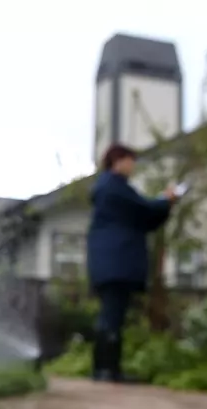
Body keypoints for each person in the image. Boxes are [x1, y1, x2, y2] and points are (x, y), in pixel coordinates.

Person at [86, 144, 179, 382]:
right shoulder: (113, 187)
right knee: (112, 316)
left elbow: (145, 219)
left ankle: (104, 369)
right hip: (116, 263)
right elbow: (144, 209)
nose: (133, 166)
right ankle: (107, 370)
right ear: (118, 161)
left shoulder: (109, 189)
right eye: (130, 161)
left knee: (111, 315)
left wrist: (165, 205)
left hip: (112, 264)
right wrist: (165, 199)